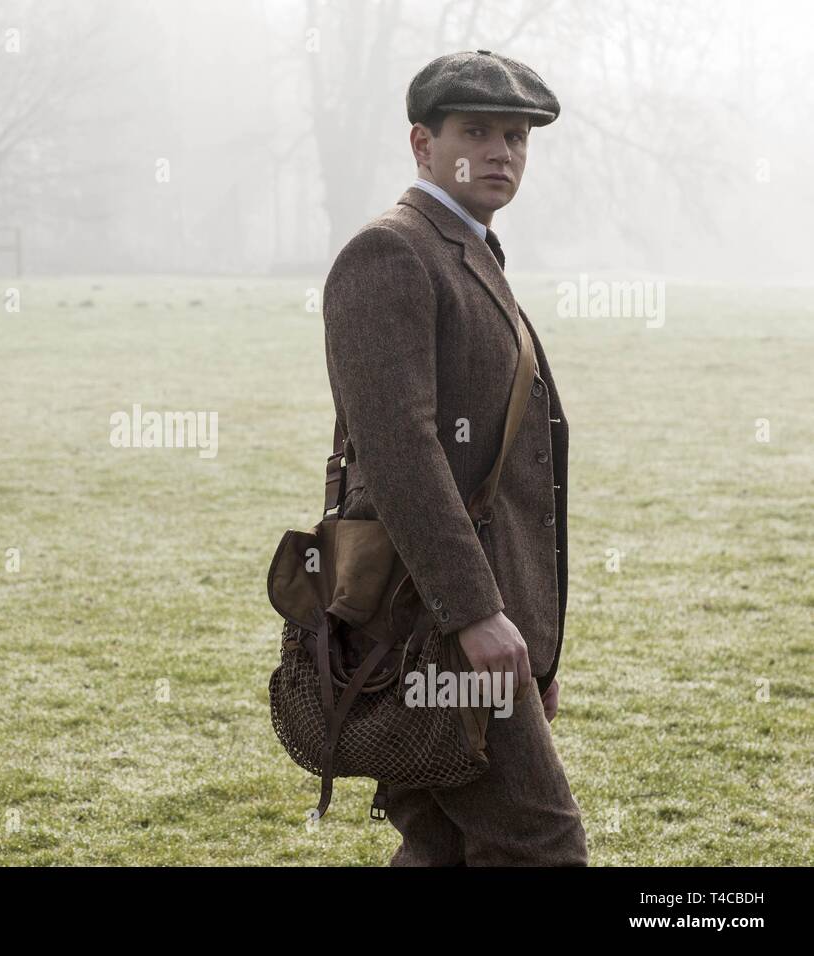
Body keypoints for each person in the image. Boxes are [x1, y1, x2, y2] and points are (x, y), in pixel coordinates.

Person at [321, 50, 587, 865]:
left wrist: (532, 640)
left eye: (517, 135)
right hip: (430, 626)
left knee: (442, 846)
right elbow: (400, 454)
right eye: (477, 130)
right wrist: (476, 614)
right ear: (421, 143)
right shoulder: (393, 253)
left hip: (474, 623)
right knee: (541, 844)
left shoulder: (465, 250)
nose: (503, 151)